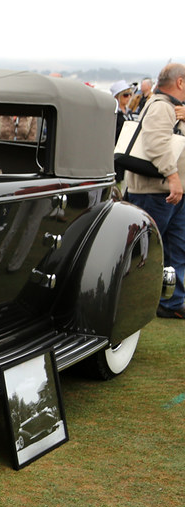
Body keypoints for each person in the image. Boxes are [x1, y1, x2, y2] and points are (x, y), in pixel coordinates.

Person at [125, 63, 185, 319]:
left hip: (167, 192)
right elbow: (155, 143)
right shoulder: (162, 105)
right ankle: (131, 302)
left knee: (174, 249)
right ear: (180, 82)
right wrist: (173, 177)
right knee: (146, 251)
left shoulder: (169, 106)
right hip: (157, 190)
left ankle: (172, 303)